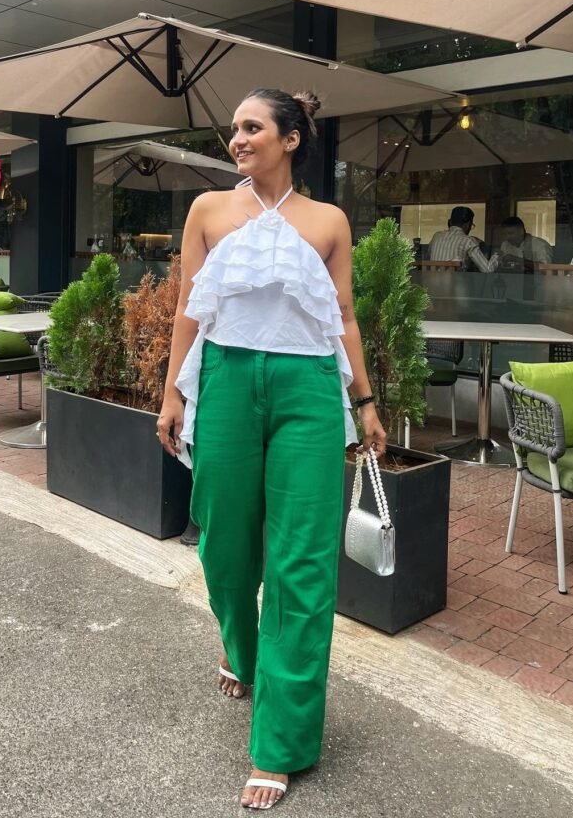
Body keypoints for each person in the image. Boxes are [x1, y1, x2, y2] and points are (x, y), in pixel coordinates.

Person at [157, 88, 386, 810]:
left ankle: (279, 743)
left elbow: (343, 315)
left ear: (291, 138)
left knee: (301, 562)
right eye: (234, 130)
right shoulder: (208, 212)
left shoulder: (328, 221)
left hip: (308, 391)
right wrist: (172, 394)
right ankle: (241, 648)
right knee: (223, 543)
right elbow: (189, 308)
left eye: (252, 128)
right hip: (225, 378)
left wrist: (364, 399)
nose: (237, 139)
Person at [428, 206, 497, 272]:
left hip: (430, 283)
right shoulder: (468, 241)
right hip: (455, 283)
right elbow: (487, 269)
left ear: (450, 222)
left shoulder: (436, 236)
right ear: (468, 225)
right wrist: (497, 255)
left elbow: (428, 256)